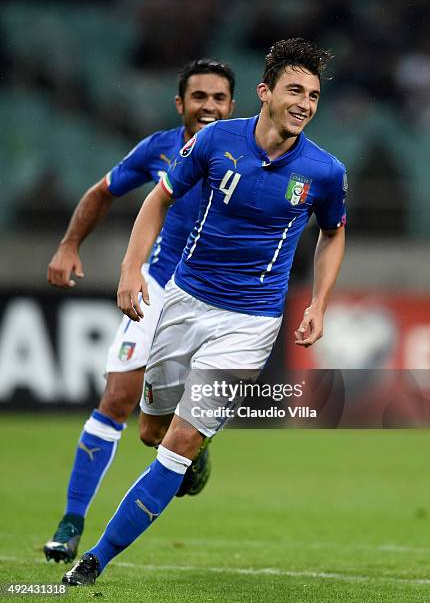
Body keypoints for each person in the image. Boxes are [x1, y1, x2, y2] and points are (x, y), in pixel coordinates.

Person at [63, 37, 347, 586]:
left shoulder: (325, 170)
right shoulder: (217, 140)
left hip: (251, 322)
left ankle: (94, 560)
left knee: (178, 441)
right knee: (151, 430)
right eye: (294, 90)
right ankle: (195, 455)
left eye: (313, 95)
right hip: (184, 302)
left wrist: (319, 302)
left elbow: (334, 235)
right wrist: (130, 268)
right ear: (264, 93)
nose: (305, 104)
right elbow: (159, 198)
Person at [44, 59, 235, 564]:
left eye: (219, 98)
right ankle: (70, 522)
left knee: (157, 431)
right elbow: (102, 192)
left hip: (216, 299)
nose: (209, 107)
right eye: (199, 97)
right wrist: (68, 246)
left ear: (233, 104)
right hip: (157, 286)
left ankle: (190, 442)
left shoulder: (248, 152)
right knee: (117, 400)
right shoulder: (160, 149)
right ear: (181, 104)